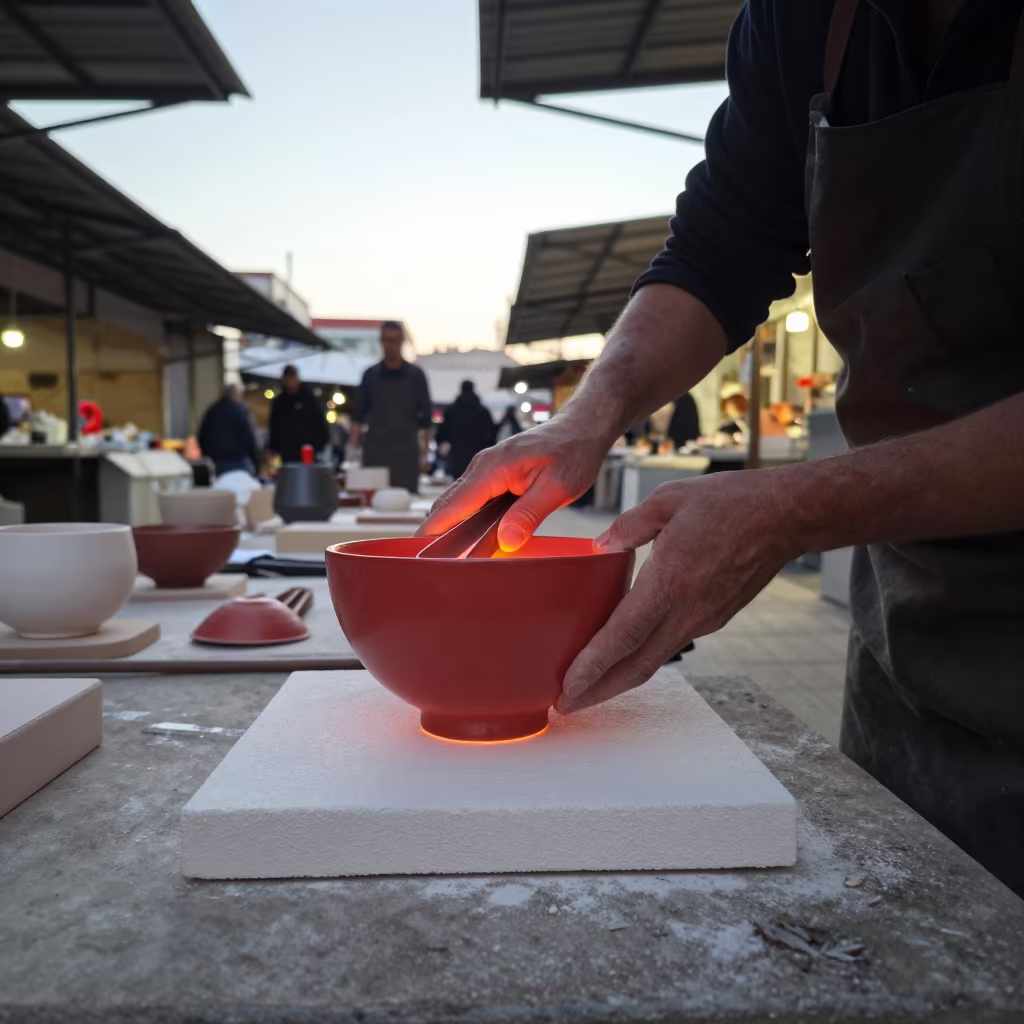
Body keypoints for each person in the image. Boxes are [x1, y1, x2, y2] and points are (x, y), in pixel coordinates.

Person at [422, 0, 1024, 896]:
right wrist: (588, 417)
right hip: (913, 629)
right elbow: (720, 249)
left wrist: (798, 508)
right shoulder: (801, 18)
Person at [350, 322, 432, 493]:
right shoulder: (370, 375)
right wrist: (352, 451)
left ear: (402, 341)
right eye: (387, 340)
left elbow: (426, 419)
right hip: (375, 454)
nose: (390, 345)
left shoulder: (416, 376)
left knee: (406, 503)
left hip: (405, 457)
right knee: (372, 503)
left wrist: (425, 453)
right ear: (381, 341)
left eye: (394, 340)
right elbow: (358, 416)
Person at [267, 365, 329, 464]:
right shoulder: (280, 402)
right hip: (287, 452)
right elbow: (274, 427)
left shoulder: (309, 399)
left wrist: (318, 446)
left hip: (308, 451)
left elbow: (320, 423)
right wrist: (273, 447)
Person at [436, 381, 497, 480]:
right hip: (477, 454)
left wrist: (442, 443)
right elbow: (491, 432)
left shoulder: (451, 410)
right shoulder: (482, 411)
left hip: (457, 455)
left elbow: (442, 432)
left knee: (458, 483)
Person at [197, 384, 260, 477]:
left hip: (215, 462)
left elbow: (201, 436)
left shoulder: (212, 411)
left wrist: (207, 455)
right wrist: (257, 463)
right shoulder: (240, 411)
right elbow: (250, 439)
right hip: (238, 462)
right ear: (237, 395)